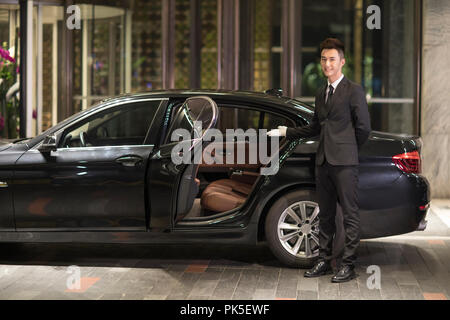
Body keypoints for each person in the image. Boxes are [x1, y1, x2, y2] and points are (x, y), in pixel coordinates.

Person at [267, 38, 371, 283]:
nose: (327, 64)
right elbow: (315, 127)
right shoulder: (321, 93)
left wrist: (347, 149)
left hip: (345, 163)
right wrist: (286, 132)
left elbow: (364, 128)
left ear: (342, 62)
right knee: (324, 215)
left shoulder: (353, 90)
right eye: (324, 59)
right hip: (323, 162)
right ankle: (323, 260)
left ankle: (348, 265)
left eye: (332, 59)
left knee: (349, 215)